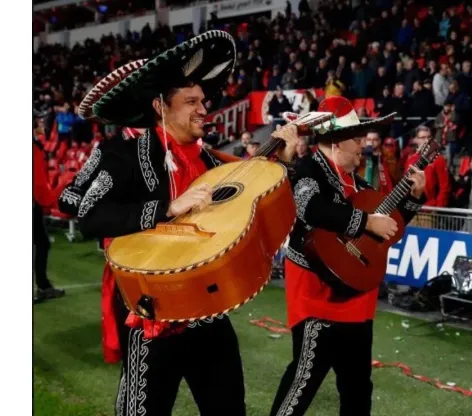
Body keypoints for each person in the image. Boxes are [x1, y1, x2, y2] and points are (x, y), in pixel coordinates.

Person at [60, 31, 300, 416]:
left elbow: (255, 200)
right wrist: (165, 207)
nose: (204, 108)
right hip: (150, 317)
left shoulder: (215, 162)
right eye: (191, 101)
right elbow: (89, 216)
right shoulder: (120, 154)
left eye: (204, 100)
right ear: (160, 106)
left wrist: (283, 160)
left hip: (209, 312)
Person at [270, 96, 426, 416]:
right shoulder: (308, 170)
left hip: (357, 300)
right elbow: (308, 208)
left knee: (357, 389)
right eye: (357, 138)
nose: (362, 144)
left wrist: (413, 200)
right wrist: (366, 221)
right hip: (317, 298)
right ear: (338, 142)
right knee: (302, 383)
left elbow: (384, 231)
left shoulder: (360, 183)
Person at [32, 136, 68, 303]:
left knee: (41, 243)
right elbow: (39, 187)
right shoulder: (34, 149)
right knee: (41, 244)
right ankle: (43, 287)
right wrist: (58, 192)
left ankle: (43, 285)